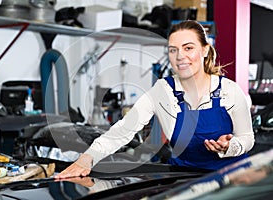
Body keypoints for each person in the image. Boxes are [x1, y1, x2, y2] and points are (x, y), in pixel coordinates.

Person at [55, 20, 255, 178]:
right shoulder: (162, 91)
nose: (179, 56)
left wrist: (231, 146)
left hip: (232, 180)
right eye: (173, 50)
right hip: (185, 181)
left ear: (204, 50)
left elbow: (247, 139)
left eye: (188, 48)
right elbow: (123, 131)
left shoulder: (229, 90)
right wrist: (87, 158)